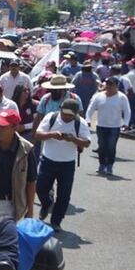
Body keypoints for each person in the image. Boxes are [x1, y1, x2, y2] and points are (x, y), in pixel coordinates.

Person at [35, 98, 91, 230]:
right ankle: (46, 203)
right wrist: (52, 134)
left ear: (75, 114)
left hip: (67, 164)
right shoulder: (51, 117)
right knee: (40, 188)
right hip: (48, 160)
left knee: (64, 195)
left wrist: (73, 139)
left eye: (69, 115)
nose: (66, 117)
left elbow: (87, 142)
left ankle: (56, 221)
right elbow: (38, 134)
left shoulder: (80, 123)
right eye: (64, 113)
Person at [86, 76, 131, 175]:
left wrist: (126, 123)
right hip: (101, 125)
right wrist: (88, 119)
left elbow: (127, 111)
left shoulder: (122, 97)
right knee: (102, 146)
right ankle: (102, 164)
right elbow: (91, 108)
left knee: (111, 147)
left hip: (115, 127)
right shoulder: (99, 96)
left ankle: (110, 165)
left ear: (116, 86)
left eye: (111, 84)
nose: (109, 86)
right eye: (107, 84)